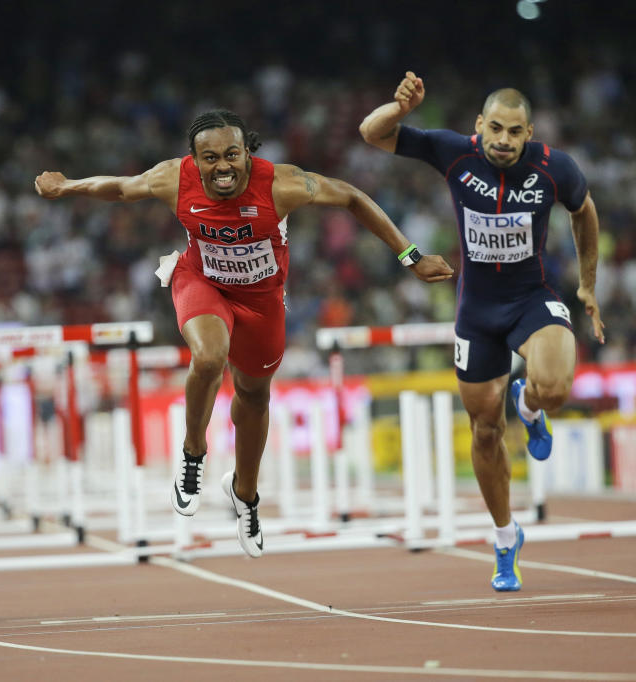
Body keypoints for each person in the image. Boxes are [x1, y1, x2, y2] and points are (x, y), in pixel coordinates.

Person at [35, 110, 453, 558]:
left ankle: (245, 495)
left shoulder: (282, 183)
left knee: (255, 397)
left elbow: (351, 196)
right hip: (202, 283)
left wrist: (410, 256)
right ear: (194, 160)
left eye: (232, 154)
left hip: (262, 302)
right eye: (210, 157)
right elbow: (120, 187)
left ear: (247, 152)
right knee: (211, 357)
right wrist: (68, 186)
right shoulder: (174, 178)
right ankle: (193, 453)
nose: (222, 166)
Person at [360, 72, 604, 591]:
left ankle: (532, 405)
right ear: (479, 125)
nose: (503, 141)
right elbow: (371, 133)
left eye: (515, 132)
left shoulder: (554, 166)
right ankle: (504, 536)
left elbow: (584, 213)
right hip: (477, 313)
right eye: (495, 128)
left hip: (532, 301)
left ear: (529, 133)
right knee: (485, 430)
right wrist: (398, 108)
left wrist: (586, 284)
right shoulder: (454, 152)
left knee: (556, 387)